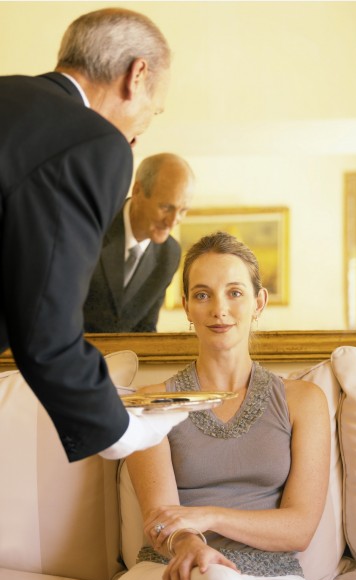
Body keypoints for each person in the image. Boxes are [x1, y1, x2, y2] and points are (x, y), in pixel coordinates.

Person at [0, 8, 188, 463]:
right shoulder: (94, 143)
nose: (144, 127)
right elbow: (46, 325)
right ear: (136, 75)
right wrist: (123, 432)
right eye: (154, 109)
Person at [109, 232, 331, 580]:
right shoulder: (153, 402)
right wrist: (191, 546)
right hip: (169, 571)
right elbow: (161, 519)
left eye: (235, 292)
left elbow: (299, 528)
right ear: (186, 307)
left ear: (259, 302)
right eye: (202, 295)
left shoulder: (304, 401)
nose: (219, 308)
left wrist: (208, 516)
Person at [84, 153, 195, 333]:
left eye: (183, 210)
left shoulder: (170, 254)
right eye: (166, 208)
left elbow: (146, 327)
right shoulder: (92, 226)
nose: (173, 221)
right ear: (137, 191)